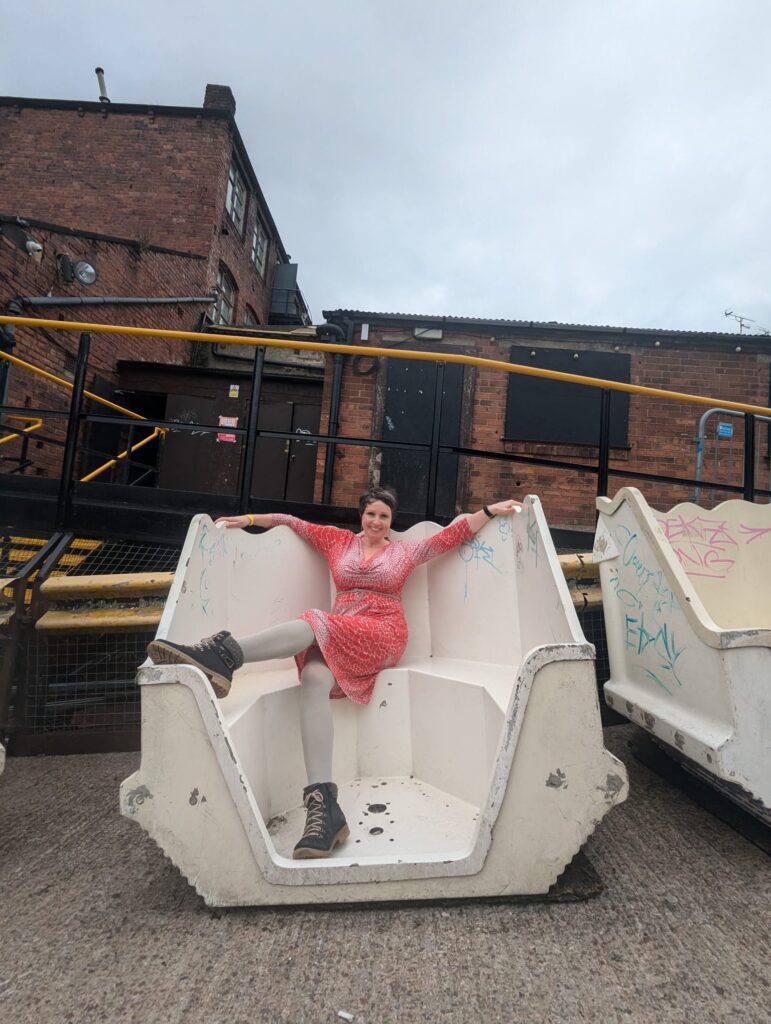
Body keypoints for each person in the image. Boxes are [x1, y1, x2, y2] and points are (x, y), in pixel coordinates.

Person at [147, 487, 522, 860]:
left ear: (392, 522)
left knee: (313, 619)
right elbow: (290, 521)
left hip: (382, 632)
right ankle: (323, 808)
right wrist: (245, 520)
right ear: (362, 516)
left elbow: (451, 536)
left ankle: (223, 655)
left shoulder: (405, 551)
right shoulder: (337, 541)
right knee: (312, 679)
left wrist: (490, 510)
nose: (377, 521)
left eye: (384, 516)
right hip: (340, 631)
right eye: (371, 514)